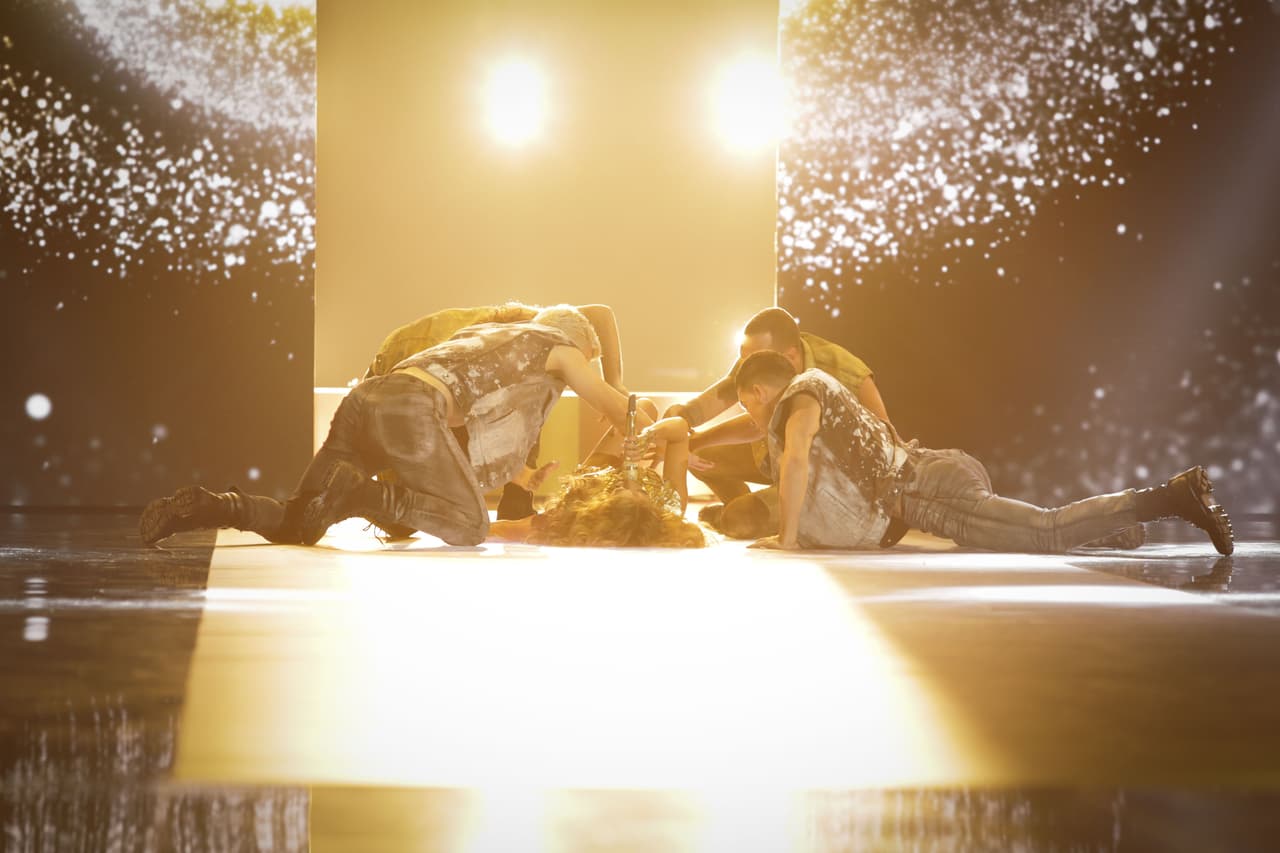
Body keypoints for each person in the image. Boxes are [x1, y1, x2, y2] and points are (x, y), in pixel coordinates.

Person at [141, 306, 650, 547]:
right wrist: (650, 426)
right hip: (412, 409)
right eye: (587, 357)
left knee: (300, 523)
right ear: (578, 344)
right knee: (469, 526)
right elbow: (612, 400)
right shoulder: (559, 345)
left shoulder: (490, 335)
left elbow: (475, 441)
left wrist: (520, 476)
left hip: (368, 400)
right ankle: (359, 494)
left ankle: (211, 506)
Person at [733, 351, 1234, 555]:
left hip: (927, 490)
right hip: (933, 472)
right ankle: (1114, 531)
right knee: (1016, 534)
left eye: (748, 408)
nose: (755, 421)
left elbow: (795, 459)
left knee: (1045, 531)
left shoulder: (800, 396)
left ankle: (1171, 496)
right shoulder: (815, 389)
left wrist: (788, 539)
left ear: (759, 392)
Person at [665, 307, 889, 540]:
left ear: (790, 356)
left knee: (740, 518)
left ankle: (752, 516)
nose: (747, 365)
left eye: (754, 360)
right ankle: (746, 509)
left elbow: (883, 444)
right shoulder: (759, 362)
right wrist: (684, 424)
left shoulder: (842, 374)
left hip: (822, 483)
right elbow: (746, 412)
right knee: (699, 455)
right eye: (744, 360)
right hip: (775, 458)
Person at [487, 412, 706, 548]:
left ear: (602, 508)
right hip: (608, 492)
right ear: (652, 508)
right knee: (639, 412)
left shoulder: (572, 516)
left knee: (635, 413)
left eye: (619, 489)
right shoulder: (669, 506)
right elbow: (679, 428)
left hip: (596, 482)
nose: (629, 477)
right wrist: (647, 436)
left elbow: (500, 529)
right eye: (641, 490)